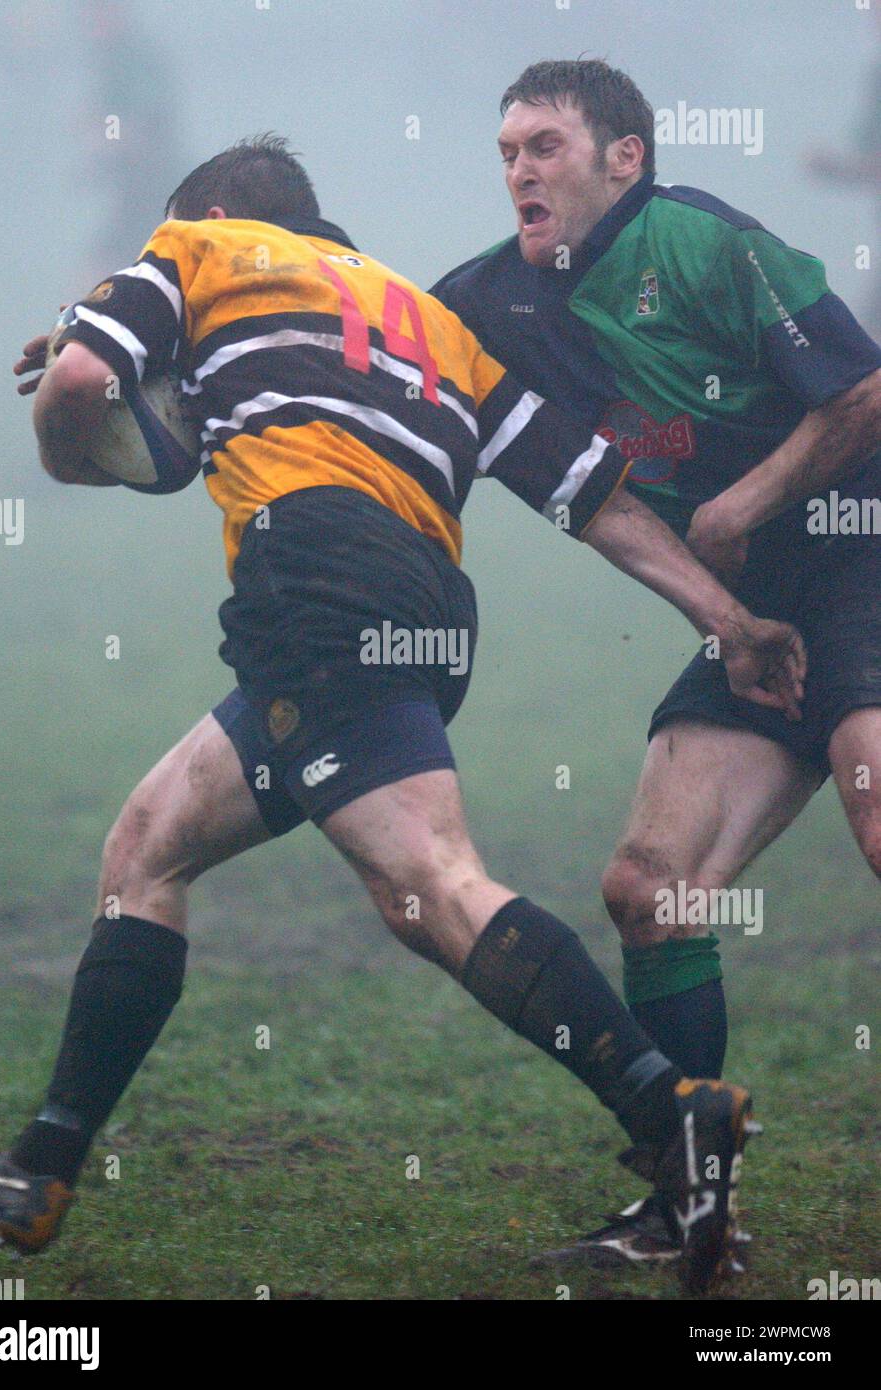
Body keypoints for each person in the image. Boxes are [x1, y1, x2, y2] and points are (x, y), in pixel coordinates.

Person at [0, 136, 797, 1293]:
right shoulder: (429, 323)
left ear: (204, 211)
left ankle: (672, 1106)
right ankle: (37, 1170)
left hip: (313, 583)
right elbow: (586, 491)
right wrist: (726, 616)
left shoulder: (192, 244)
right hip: (424, 607)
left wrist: (68, 448)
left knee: (435, 884)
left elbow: (90, 386)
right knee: (148, 846)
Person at [431, 59, 881, 1267]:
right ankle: (699, 1214)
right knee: (650, 886)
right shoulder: (488, 301)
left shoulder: (699, 243)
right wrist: (135, 341)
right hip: (749, 616)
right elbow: (360, 336)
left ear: (624, 158)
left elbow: (862, 391)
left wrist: (742, 503)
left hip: (863, 557)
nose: (520, 169)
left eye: (546, 147)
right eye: (509, 150)